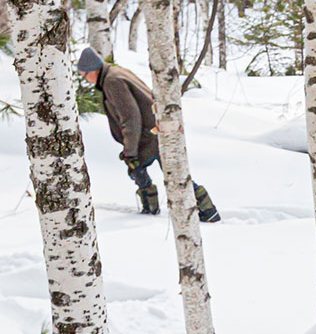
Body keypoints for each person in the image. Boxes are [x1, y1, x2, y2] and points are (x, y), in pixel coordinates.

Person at [75, 46, 219, 223]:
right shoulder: (116, 73)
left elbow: (131, 118)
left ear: (93, 70)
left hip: (149, 135)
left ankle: (154, 210)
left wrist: (130, 152)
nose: (86, 79)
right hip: (156, 130)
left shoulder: (112, 81)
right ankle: (205, 210)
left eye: (84, 75)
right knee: (174, 174)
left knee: (144, 170)